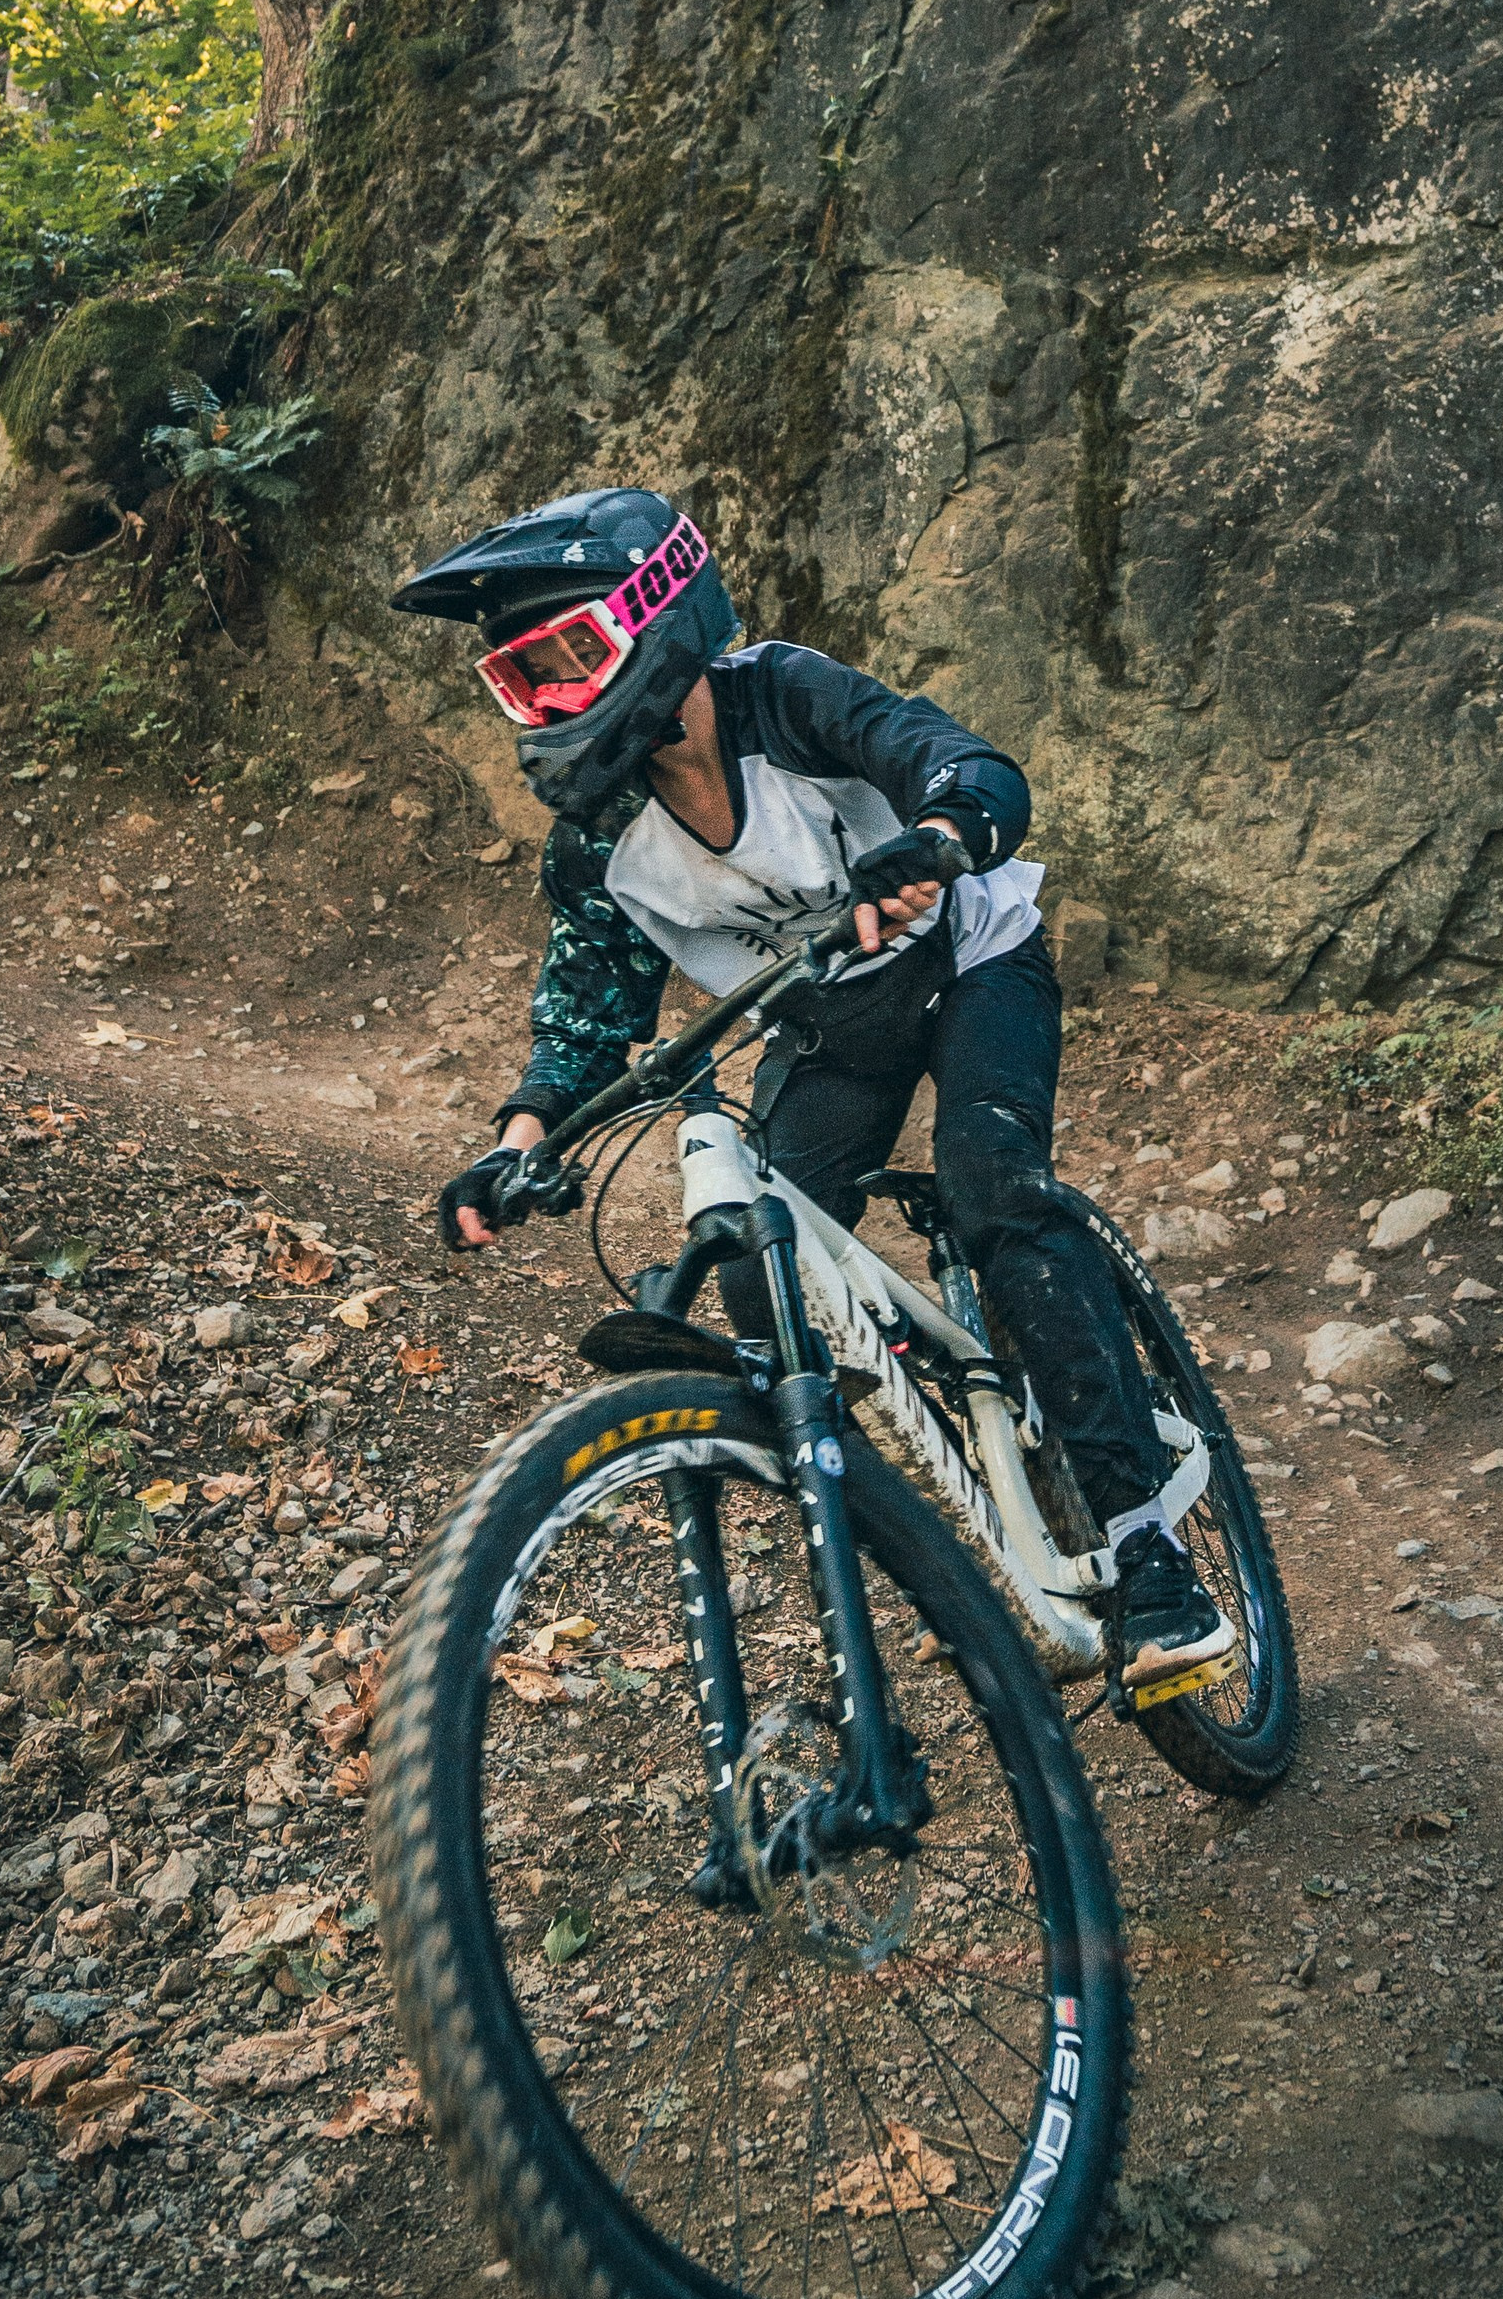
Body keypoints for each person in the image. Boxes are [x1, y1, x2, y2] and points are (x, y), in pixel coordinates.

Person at [393, 484, 1233, 1688]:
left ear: (662, 617)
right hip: (831, 1028)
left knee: (996, 1195)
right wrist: (523, 1135)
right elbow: (590, 1003)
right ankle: (973, 1431)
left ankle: (1149, 1550)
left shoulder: (784, 698)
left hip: (967, 965)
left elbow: (962, 764)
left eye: (574, 656)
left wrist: (939, 836)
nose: (556, 702)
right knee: (754, 1266)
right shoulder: (599, 835)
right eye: (525, 683)